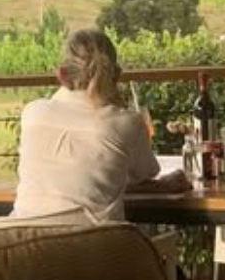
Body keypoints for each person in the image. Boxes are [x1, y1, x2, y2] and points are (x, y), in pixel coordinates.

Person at [12, 28, 191, 222]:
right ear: (117, 75)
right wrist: (160, 185)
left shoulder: (32, 113)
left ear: (61, 74)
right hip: (98, 240)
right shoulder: (126, 123)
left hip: (24, 236)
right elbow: (144, 175)